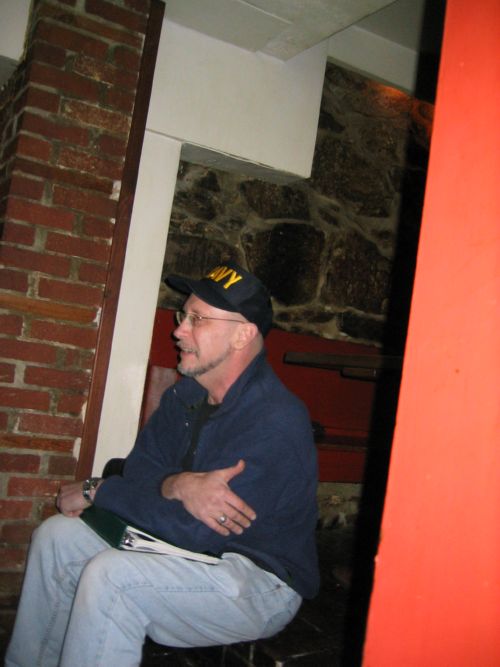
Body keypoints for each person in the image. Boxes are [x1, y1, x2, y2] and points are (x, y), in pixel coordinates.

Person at [6, 261, 319, 667]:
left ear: (242, 334)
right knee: (56, 537)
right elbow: (139, 471)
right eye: (182, 316)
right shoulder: (185, 397)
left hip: (258, 580)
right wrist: (178, 484)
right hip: (187, 551)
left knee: (113, 579)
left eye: (197, 319)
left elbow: (193, 529)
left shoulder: (274, 420)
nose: (179, 330)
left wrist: (100, 491)